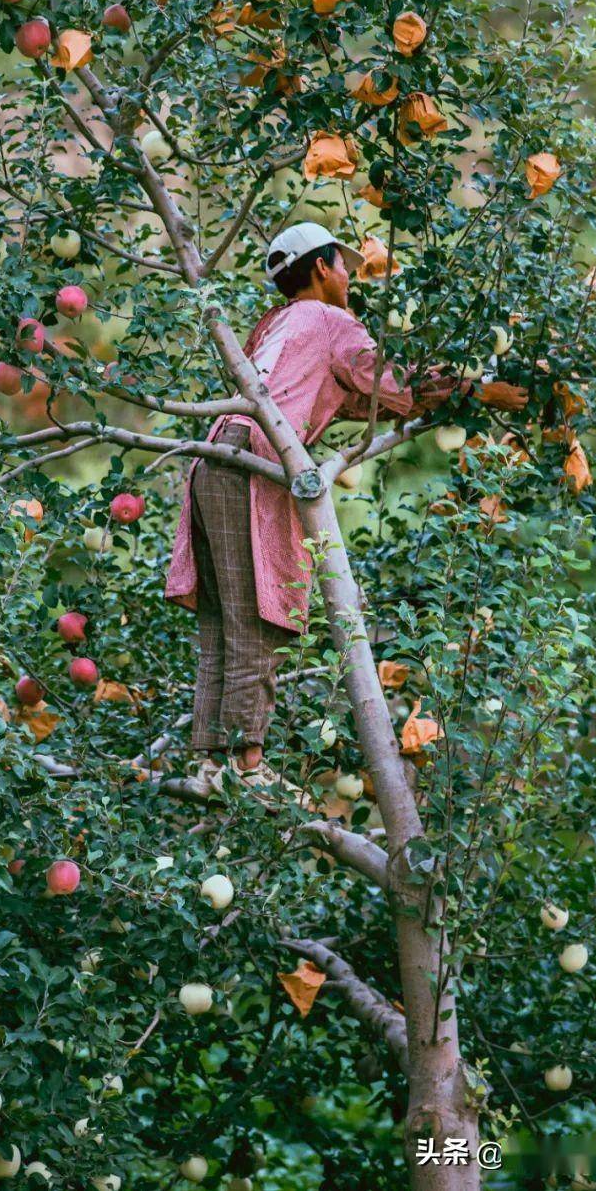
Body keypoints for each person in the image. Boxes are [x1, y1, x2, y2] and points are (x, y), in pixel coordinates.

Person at [164, 220, 462, 794]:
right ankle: (247, 767)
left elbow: (346, 396)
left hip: (214, 458)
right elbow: (392, 385)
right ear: (322, 267)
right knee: (253, 617)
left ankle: (209, 762)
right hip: (249, 461)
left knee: (223, 623)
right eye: (344, 264)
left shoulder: (277, 323)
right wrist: (471, 391)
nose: (351, 276)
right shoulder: (330, 320)